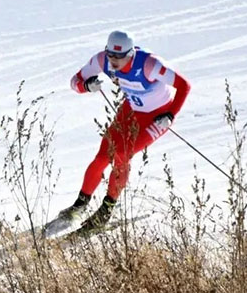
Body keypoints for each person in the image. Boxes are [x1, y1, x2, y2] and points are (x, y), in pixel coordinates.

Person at [59, 30, 192, 231]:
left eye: (119, 57)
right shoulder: (102, 60)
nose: (113, 61)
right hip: (131, 110)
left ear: (130, 54)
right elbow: (74, 82)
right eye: (111, 55)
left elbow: (184, 86)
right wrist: (86, 86)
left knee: (121, 154)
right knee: (102, 156)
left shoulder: (150, 65)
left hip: (157, 117)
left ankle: (106, 210)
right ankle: (79, 205)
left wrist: (171, 115)